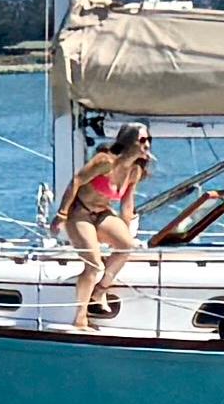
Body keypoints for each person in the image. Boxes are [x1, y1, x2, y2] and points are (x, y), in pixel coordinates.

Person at [50, 123, 152, 330]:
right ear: (128, 141)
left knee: (126, 246)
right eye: (142, 140)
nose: (147, 144)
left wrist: (126, 229)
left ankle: (101, 290)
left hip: (103, 213)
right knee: (94, 264)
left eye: (149, 140)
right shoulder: (105, 161)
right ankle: (80, 318)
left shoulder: (135, 171)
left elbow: (127, 203)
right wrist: (62, 213)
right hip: (80, 212)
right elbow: (76, 181)